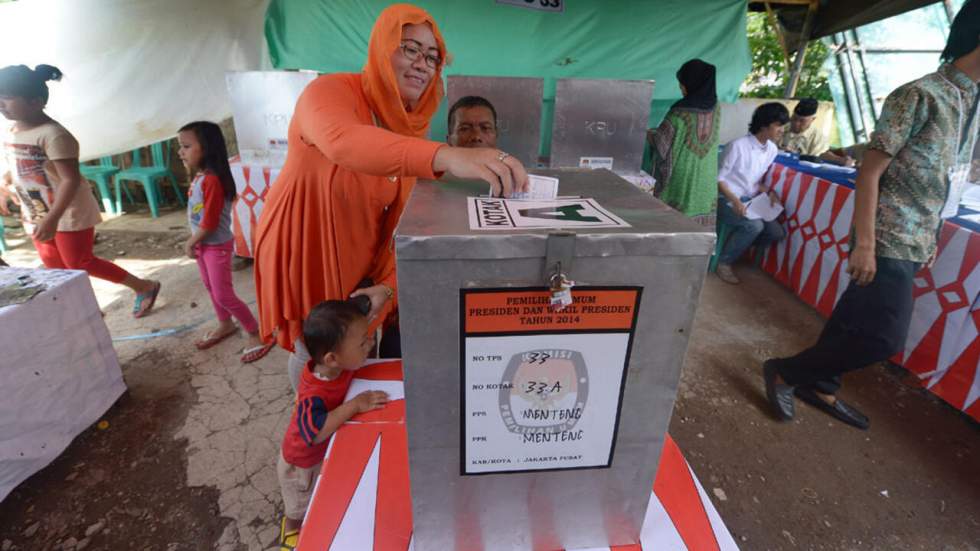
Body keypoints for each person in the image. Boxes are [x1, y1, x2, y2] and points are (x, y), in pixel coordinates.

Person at [254, 4, 529, 392]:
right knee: (317, 349)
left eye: (432, 57)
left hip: (361, 259)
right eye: (410, 48)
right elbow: (344, 142)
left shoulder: (407, 129)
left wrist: (388, 287)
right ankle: (309, 431)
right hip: (308, 245)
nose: (423, 64)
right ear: (382, 48)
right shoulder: (330, 92)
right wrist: (449, 155)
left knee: (358, 348)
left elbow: (403, 225)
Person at [762, 0, 980, 430]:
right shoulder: (920, 94)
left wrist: (931, 237)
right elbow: (869, 173)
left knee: (853, 317)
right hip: (886, 235)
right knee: (883, 338)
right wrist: (864, 244)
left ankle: (820, 382)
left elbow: (946, 179)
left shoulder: (969, 104)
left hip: (917, 238)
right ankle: (786, 371)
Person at [0, 64, 161, 316]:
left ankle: (144, 286)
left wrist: (52, 218)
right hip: (36, 211)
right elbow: (18, 164)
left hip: (67, 212)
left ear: (36, 101)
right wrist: (6, 182)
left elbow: (70, 180)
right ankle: (85, 308)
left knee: (79, 262)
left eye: (7, 97)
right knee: (55, 267)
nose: (1, 104)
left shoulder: (54, 135)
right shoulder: (13, 129)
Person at [276, 299, 389, 549]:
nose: (370, 344)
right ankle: (290, 532)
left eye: (369, 337)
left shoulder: (340, 367)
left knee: (322, 495)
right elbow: (313, 433)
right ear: (332, 359)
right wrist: (354, 405)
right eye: (363, 343)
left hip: (321, 453)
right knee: (300, 506)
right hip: (302, 463)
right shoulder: (313, 393)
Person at [178, 121, 273, 363]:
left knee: (223, 293)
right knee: (211, 288)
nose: (181, 152)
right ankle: (225, 324)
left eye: (186, 146)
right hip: (203, 245)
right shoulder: (201, 177)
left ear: (207, 148)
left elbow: (209, 223)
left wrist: (191, 241)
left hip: (215, 246)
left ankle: (255, 332)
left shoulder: (213, 180)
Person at [715, 102, 789, 285]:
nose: (782, 130)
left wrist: (769, 192)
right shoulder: (737, 146)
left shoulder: (771, 149)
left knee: (776, 233)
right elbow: (718, 180)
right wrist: (736, 201)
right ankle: (724, 262)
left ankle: (737, 247)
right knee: (754, 227)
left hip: (750, 200)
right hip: (725, 199)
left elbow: (753, 181)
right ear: (765, 125)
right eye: (778, 125)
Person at [647, 58, 720, 225]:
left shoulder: (678, 112)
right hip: (706, 181)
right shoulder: (716, 107)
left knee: (673, 225)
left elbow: (660, 144)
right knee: (697, 236)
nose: (681, 88)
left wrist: (647, 133)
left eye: (683, 83)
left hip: (680, 182)